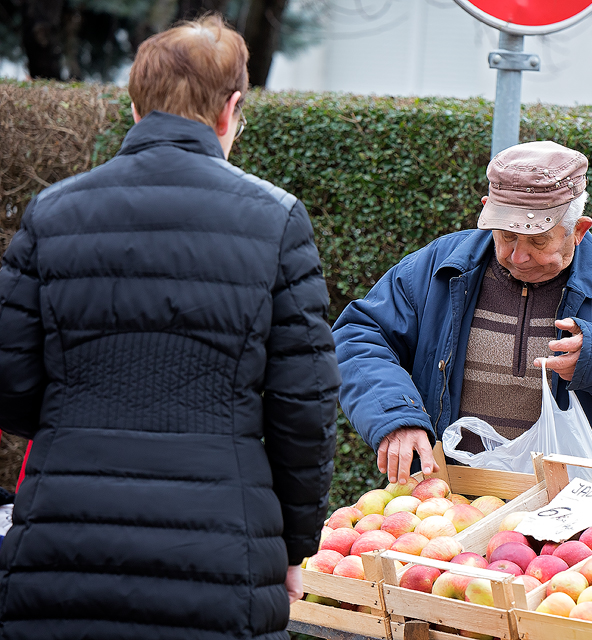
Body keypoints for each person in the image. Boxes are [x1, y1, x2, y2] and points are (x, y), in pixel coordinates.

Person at [0, 15, 340, 640]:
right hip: (222, 551)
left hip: (62, 541)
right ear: (230, 110)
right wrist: (293, 547)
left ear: (135, 107)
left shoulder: (53, 213)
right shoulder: (277, 221)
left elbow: (10, 386)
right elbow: (304, 412)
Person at [333, 140, 592, 489]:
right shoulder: (440, 264)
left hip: (584, 516)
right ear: (487, 213)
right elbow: (357, 337)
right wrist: (396, 416)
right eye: (507, 236)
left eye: (538, 241)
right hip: (447, 505)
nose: (518, 256)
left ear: (578, 230)